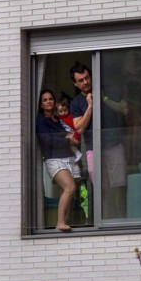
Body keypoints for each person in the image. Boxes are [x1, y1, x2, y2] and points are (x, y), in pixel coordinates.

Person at [70, 61, 128, 219]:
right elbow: (80, 128)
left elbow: (125, 110)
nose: (85, 82)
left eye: (87, 78)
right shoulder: (76, 103)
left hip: (114, 143)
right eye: (80, 80)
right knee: (101, 189)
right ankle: (104, 222)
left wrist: (104, 99)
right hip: (92, 148)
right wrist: (90, 106)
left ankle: (122, 221)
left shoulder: (107, 91)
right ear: (75, 83)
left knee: (120, 186)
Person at [36, 90, 80, 231]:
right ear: (41, 104)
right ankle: (60, 222)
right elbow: (46, 140)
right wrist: (66, 139)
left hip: (68, 157)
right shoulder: (40, 120)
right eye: (45, 100)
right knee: (70, 187)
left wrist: (71, 139)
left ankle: (65, 222)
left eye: (51, 99)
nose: (49, 101)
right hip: (53, 158)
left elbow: (68, 135)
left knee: (67, 191)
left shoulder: (58, 120)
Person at [56, 97, 83, 163]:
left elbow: (76, 128)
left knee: (70, 144)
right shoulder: (58, 118)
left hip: (73, 135)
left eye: (65, 110)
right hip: (65, 135)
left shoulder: (71, 117)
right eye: (60, 111)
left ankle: (77, 154)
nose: (63, 113)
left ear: (68, 108)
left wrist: (76, 136)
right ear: (57, 111)